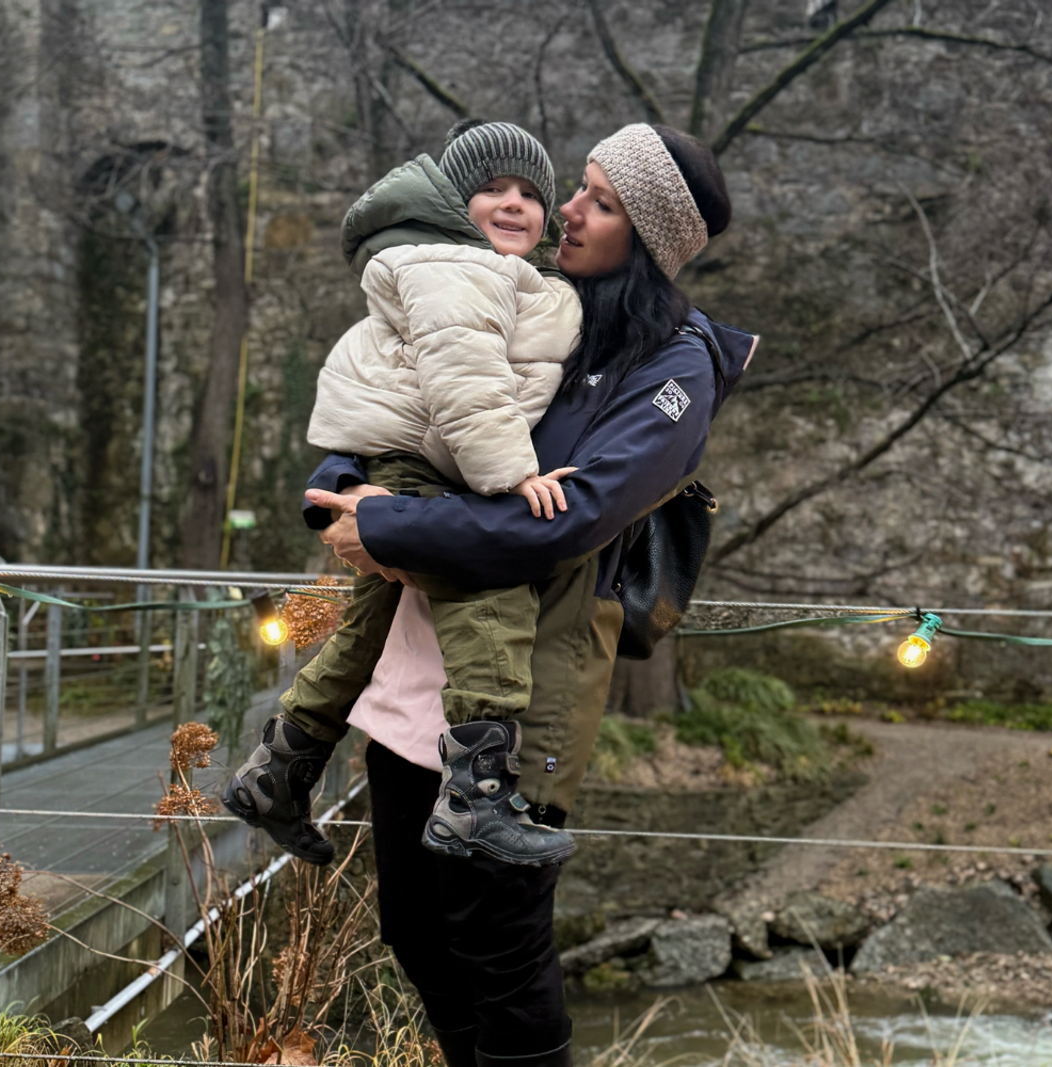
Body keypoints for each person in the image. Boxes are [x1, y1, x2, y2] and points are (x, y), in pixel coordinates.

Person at [307, 124, 757, 1067]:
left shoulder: (674, 369)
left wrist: (385, 527)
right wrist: (342, 482)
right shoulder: (531, 300)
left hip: (521, 700)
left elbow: (566, 521)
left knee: (500, 956)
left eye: (597, 200)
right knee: (415, 934)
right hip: (414, 681)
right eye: (578, 189)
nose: (566, 210)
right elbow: (408, 391)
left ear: (649, 234)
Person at [221, 119, 584, 868]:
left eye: (530, 193)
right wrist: (511, 473)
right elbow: (465, 379)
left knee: (365, 628)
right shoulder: (459, 268)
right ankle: (475, 798)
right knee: (490, 591)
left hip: (408, 455)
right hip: (425, 457)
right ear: (456, 203)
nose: (514, 204)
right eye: (493, 190)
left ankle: (275, 773)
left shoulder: (479, 271)